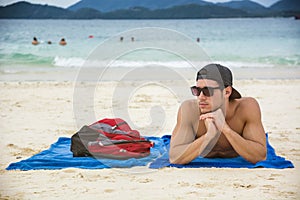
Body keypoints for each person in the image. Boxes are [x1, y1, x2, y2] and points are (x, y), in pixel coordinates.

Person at [169, 63, 266, 164]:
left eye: (208, 91)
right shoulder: (189, 110)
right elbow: (175, 158)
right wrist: (209, 135)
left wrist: (226, 129)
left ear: (227, 92)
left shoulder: (246, 108)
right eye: (197, 91)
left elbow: (260, 156)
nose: (201, 97)